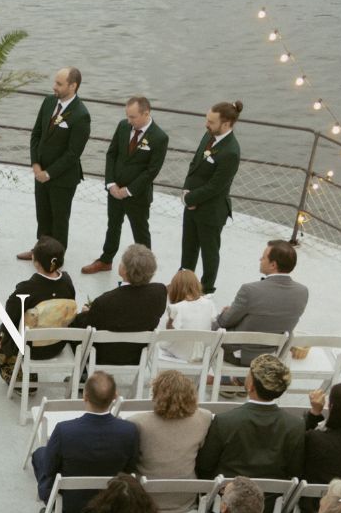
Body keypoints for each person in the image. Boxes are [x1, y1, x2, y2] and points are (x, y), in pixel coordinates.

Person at [32, 371, 139, 513]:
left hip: (70, 503)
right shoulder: (129, 431)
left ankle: (54, 512)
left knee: (40, 455)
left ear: (85, 396)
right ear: (115, 396)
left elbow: (49, 469)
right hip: (111, 501)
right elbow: (130, 469)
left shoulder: (65, 430)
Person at [82, 96, 167, 273]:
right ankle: (106, 260)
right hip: (115, 191)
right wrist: (111, 184)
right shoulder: (122, 126)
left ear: (146, 113)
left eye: (133, 117)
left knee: (141, 232)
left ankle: (144, 269)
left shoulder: (159, 137)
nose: (129, 121)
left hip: (137, 196)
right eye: (127, 116)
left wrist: (128, 191)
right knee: (113, 225)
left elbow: (152, 171)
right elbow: (111, 154)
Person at [194, 354, 304, 480]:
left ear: (251, 385)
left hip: (227, 494)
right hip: (272, 497)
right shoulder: (296, 426)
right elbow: (295, 471)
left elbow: (204, 466)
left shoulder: (225, 421)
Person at [21, 66, 90, 252]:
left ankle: (55, 259)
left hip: (62, 178)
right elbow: (36, 134)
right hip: (40, 172)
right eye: (55, 82)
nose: (54, 87)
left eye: (59, 84)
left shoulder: (81, 115)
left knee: (59, 219)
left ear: (73, 86)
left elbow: (73, 153)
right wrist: (36, 164)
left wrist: (49, 173)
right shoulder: (48, 102)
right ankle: (41, 250)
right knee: (42, 215)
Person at [178, 99, 244, 295]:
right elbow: (194, 164)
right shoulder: (209, 136)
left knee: (209, 252)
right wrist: (186, 192)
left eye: (211, 122)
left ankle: (206, 288)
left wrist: (190, 200)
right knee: (188, 247)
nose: (207, 124)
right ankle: (183, 283)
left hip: (211, 211)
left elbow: (216, 186)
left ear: (226, 124)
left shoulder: (231, 151)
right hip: (191, 204)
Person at [0, 236, 78, 383]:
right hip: (58, 345)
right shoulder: (67, 283)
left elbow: (10, 318)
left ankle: (15, 372)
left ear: (35, 262)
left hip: (31, 349)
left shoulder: (26, 289)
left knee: (4, 331)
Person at [128, 370, 213, 511]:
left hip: (146, 499)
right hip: (184, 498)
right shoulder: (204, 418)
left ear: (155, 394)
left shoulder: (137, 422)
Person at [71, 245, 167, 365]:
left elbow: (87, 327)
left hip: (102, 357)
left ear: (124, 270)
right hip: (137, 356)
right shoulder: (159, 293)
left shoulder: (105, 301)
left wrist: (85, 313)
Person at [216, 240, 310, 357]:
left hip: (241, 355)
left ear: (273, 265)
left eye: (263, 257)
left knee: (211, 324)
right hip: (272, 355)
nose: (260, 260)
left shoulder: (250, 290)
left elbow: (225, 321)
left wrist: (226, 312)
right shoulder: (303, 292)